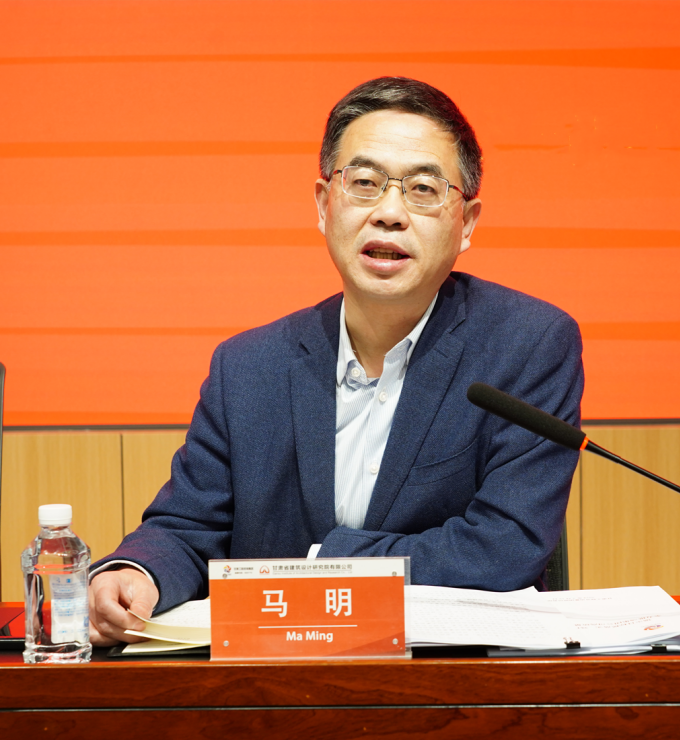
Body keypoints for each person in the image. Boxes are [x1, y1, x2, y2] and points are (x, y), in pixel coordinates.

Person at [89, 77, 584, 646]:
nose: (390, 213)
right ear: (325, 205)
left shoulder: (527, 345)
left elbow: (504, 547)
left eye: (423, 189)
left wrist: (324, 565)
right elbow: (188, 527)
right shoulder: (248, 368)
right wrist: (137, 573)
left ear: (466, 223)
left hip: (455, 676)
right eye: (365, 183)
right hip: (275, 679)